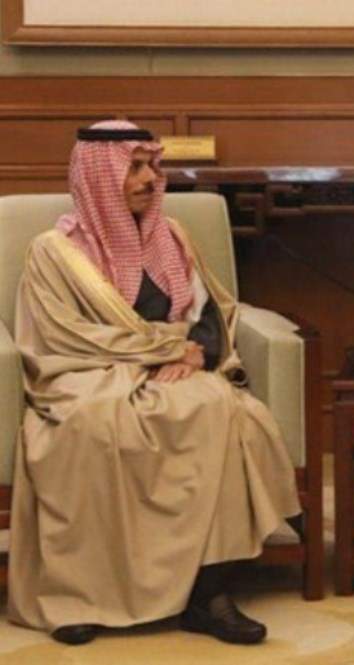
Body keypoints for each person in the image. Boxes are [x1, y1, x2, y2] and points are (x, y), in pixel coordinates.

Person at [9, 120, 302, 646]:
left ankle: (208, 593)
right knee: (89, 425)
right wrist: (165, 348)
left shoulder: (171, 237)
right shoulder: (54, 252)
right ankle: (80, 596)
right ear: (99, 177)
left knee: (222, 410)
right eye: (135, 168)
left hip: (178, 367)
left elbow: (211, 311)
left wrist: (198, 353)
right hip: (86, 372)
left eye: (152, 166)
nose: (150, 179)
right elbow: (63, 334)